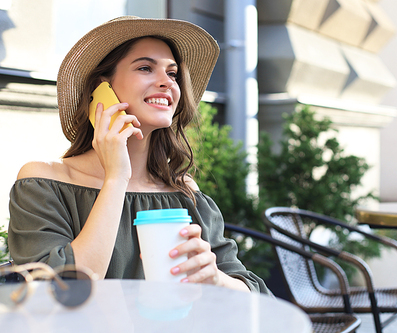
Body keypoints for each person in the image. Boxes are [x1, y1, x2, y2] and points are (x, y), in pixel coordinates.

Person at [8, 16, 270, 294]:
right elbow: (62, 291)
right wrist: (116, 178)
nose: (166, 82)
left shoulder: (184, 191)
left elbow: (256, 295)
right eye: (145, 68)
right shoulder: (43, 182)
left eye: (172, 74)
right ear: (101, 89)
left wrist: (215, 278)